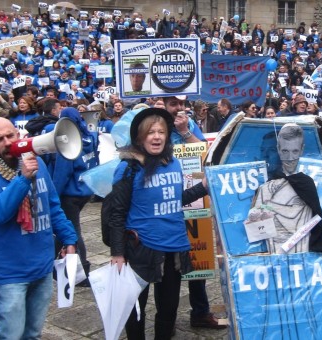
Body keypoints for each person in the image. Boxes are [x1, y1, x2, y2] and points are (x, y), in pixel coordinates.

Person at [0, 117, 77, 339]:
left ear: (18, 135)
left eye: (10, 135)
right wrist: (23, 179)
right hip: (10, 272)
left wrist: (69, 238)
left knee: (33, 333)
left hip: (42, 265)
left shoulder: (37, 163)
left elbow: (52, 205)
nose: (7, 142)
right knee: (9, 334)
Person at [108, 108, 211, 339]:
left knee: (168, 310)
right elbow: (117, 213)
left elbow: (175, 200)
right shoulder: (128, 167)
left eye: (161, 132)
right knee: (135, 311)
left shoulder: (172, 162)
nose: (156, 137)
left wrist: (202, 188)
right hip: (140, 250)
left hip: (173, 248)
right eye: (151, 132)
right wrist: (117, 253)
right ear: (140, 137)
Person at [153, 95, 225, 329]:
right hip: (164, 200)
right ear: (163, 104)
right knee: (165, 266)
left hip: (193, 197)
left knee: (198, 257)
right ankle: (167, 319)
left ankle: (200, 312)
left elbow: (203, 153)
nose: (179, 108)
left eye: (182, 104)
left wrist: (184, 131)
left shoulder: (190, 123)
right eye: (174, 104)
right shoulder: (155, 125)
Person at [249, 123, 322, 255]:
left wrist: (271, 207)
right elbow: (256, 231)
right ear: (278, 149)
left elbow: (316, 223)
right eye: (285, 151)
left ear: (302, 150)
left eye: (295, 151)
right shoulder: (266, 188)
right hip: (275, 255)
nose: (290, 158)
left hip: (302, 255)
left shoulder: (308, 184)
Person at [51, 107, 97, 285]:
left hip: (69, 192)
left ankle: (82, 270)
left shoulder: (67, 140)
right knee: (62, 228)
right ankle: (50, 262)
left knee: (72, 230)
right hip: (84, 190)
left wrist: (53, 193)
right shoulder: (89, 136)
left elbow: (63, 172)